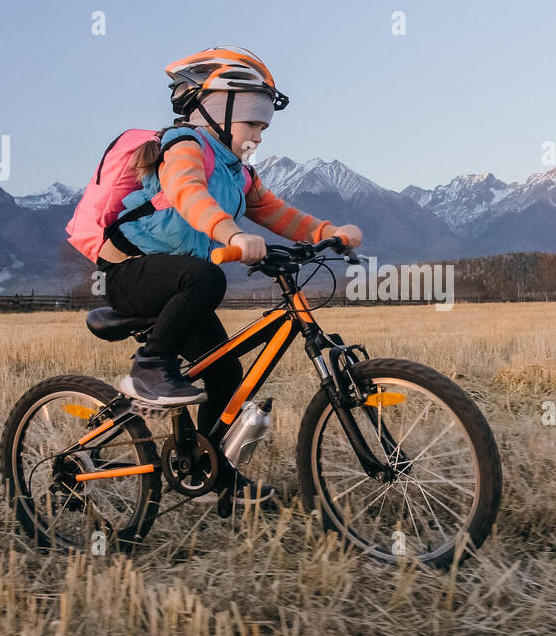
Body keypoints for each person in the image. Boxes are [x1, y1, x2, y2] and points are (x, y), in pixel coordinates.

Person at [94, 46, 362, 505]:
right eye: (253, 123)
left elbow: (276, 213)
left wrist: (327, 232)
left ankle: (208, 475)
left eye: (264, 126)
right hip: (129, 273)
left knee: (226, 372)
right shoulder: (184, 145)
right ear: (219, 112)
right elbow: (187, 193)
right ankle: (149, 370)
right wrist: (230, 231)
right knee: (206, 278)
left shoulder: (239, 172)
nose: (260, 134)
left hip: (177, 281)